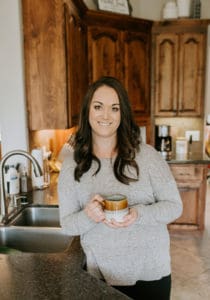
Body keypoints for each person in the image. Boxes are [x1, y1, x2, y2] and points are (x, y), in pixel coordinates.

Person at [58, 76, 183, 300]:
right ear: (88, 111)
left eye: (114, 108)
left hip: (151, 273)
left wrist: (139, 213)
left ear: (122, 113)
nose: (106, 115)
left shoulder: (148, 157)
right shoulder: (72, 166)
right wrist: (89, 215)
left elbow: (174, 207)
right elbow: (67, 225)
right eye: (98, 107)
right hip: (101, 276)